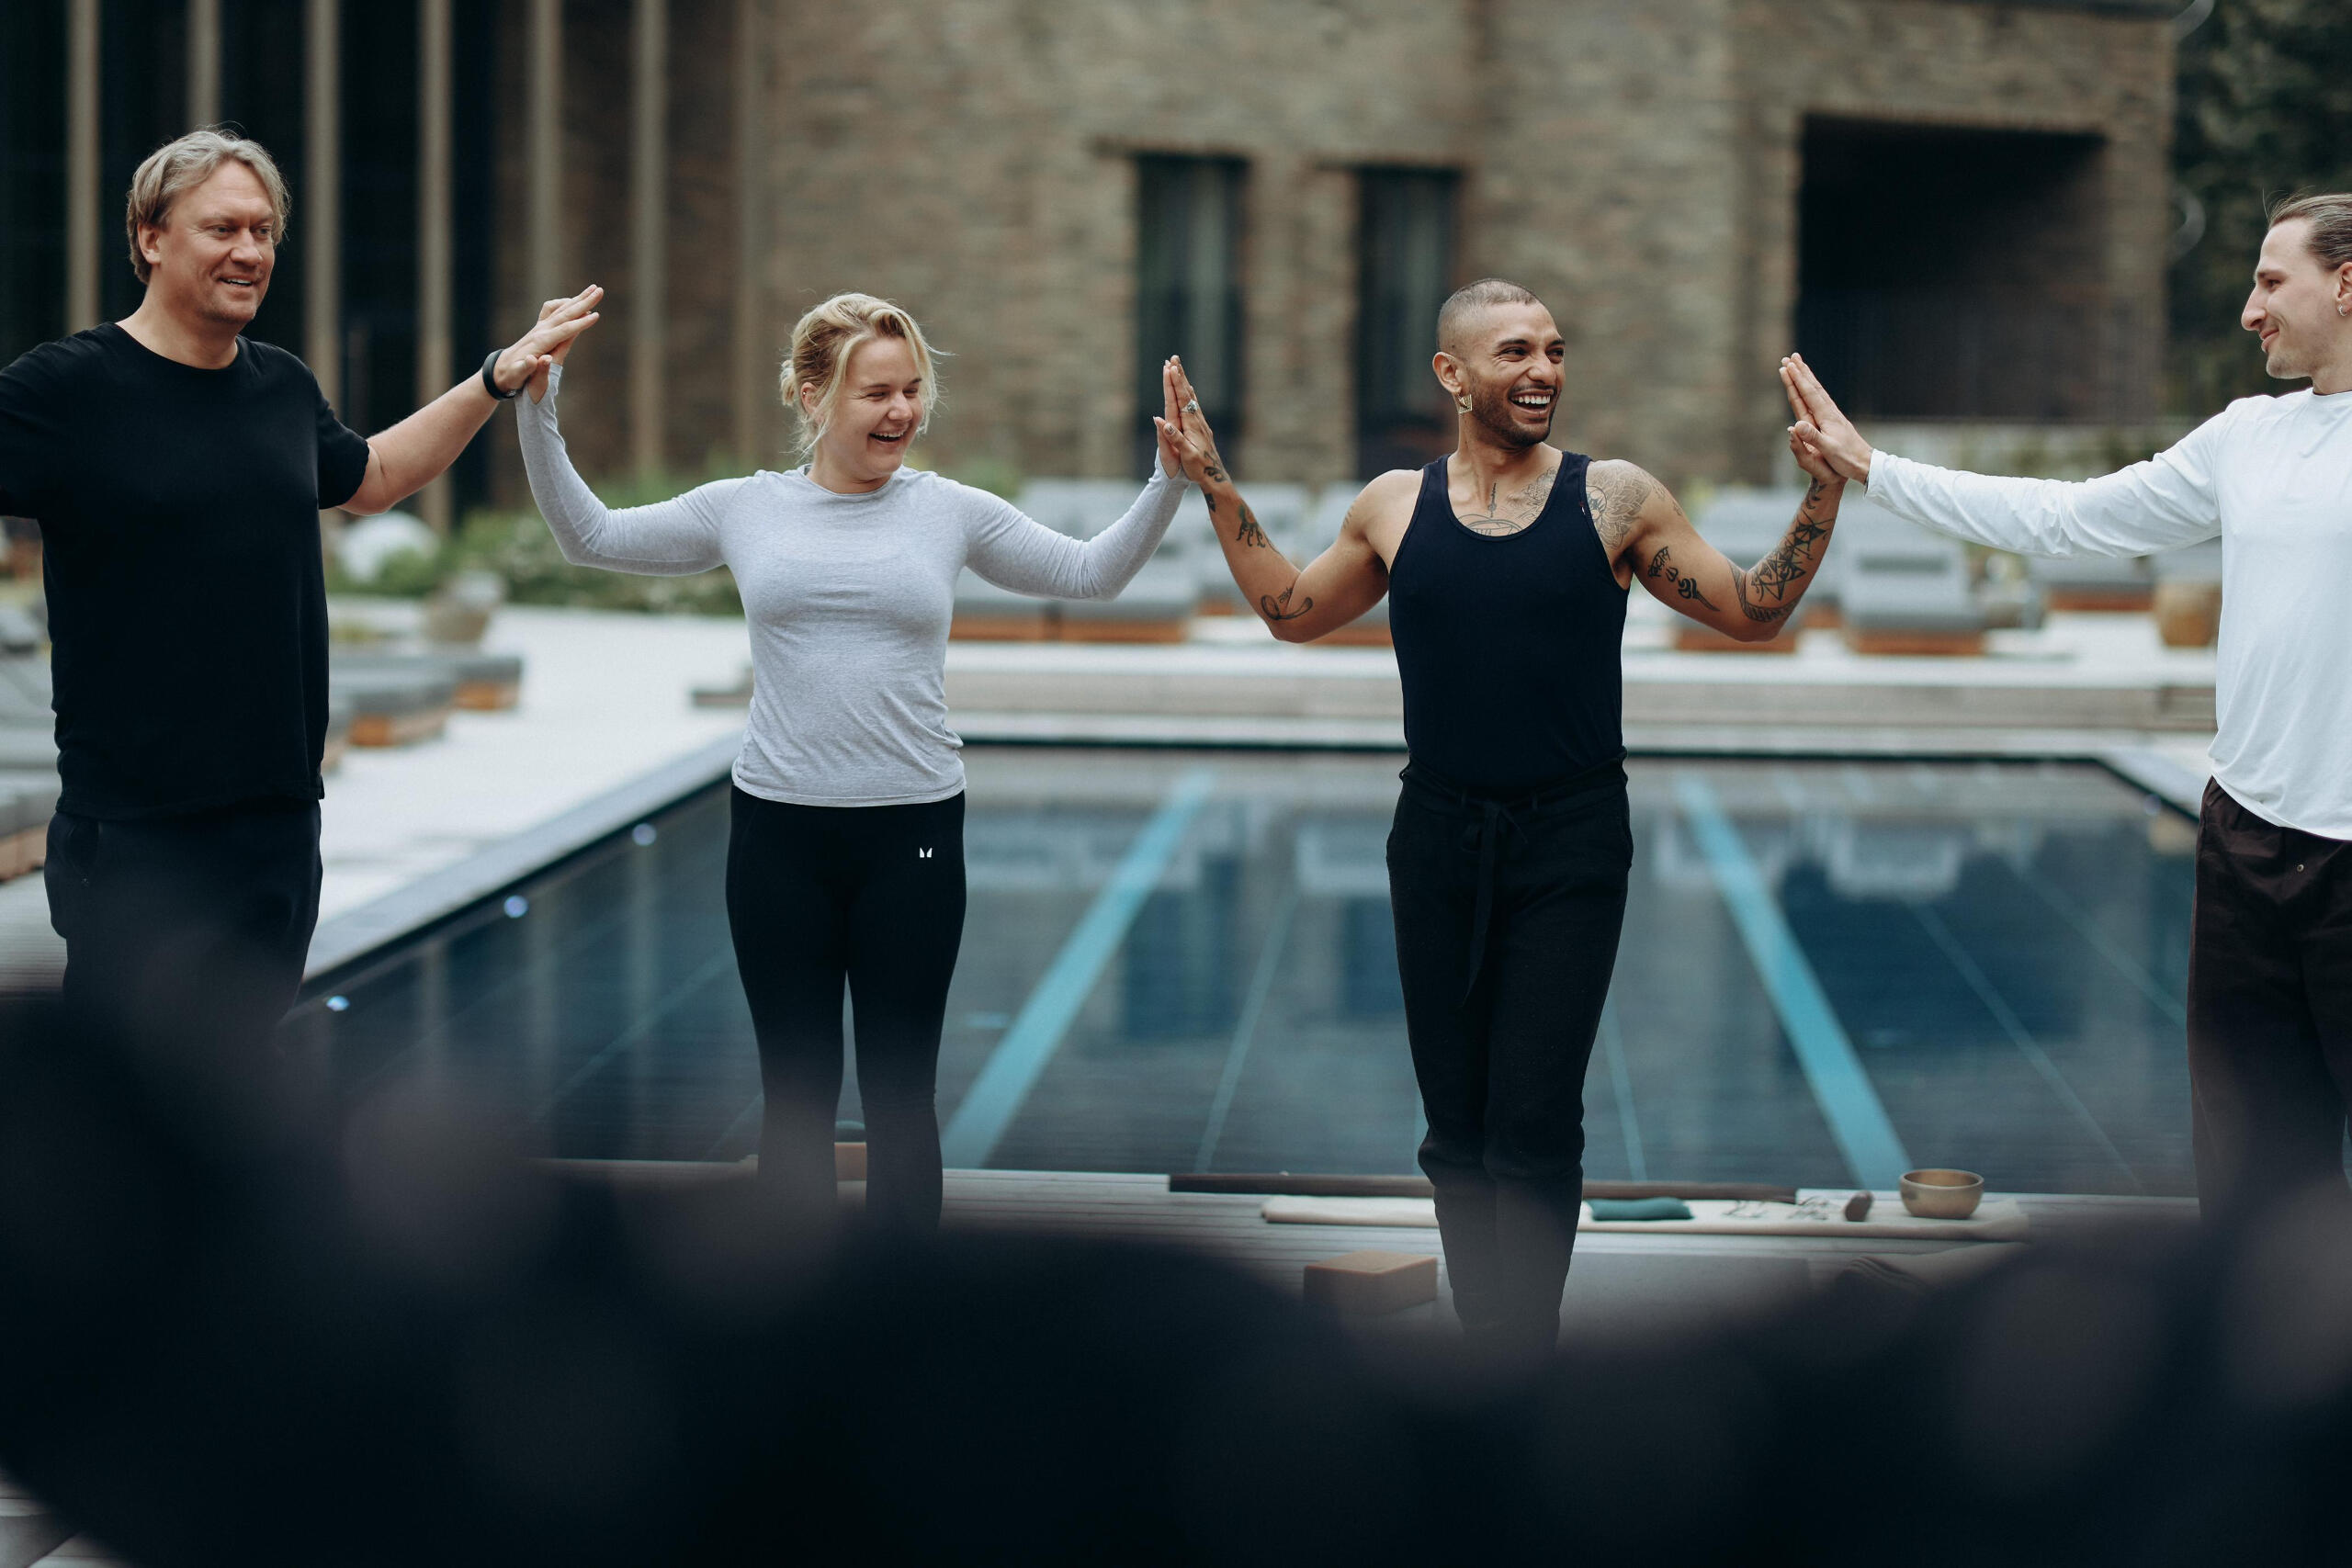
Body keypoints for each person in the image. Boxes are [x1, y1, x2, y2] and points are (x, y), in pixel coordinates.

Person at [1159, 278, 1846, 1358]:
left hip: (1571, 838)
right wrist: (1211, 481)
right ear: (1452, 375)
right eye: (1516, 351)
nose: (1543, 372)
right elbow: (1291, 612)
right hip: (1434, 836)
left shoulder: (1613, 499)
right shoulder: (1392, 504)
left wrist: (1821, 496)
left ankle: (1515, 1356)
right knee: (1456, 1129)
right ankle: (1486, 1340)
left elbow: (1752, 611)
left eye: (1556, 352)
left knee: (1533, 1122)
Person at [514, 287, 1200, 1235]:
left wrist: (1169, 479)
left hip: (912, 829)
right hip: (778, 832)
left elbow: (1092, 573)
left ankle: (898, 1333)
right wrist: (535, 407)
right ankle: (791, 1332)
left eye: (912, 390)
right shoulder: (744, 510)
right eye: (876, 392)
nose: (902, 413)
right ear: (810, 394)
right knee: (793, 1101)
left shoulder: (948, 512)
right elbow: (587, 536)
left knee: (900, 1102)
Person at [0, 129, 593, 1140]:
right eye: (222, 227)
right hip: (136, 830)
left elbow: (369, 478)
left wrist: (496, 376)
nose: (250, 252)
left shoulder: (276, 384)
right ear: (149, 237)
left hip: (277, 818)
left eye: (264, 231)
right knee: (124, 1129)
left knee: (236, 1118)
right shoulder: (67, 389)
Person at [1781, 192, 2352, 1224]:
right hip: (2245, 845)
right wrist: (1873, 469)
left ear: (2346, 283)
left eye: (2271, 281)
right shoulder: (2247, 439)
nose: (2248, 311)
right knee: (2252, 1178)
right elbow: (2066, 517)